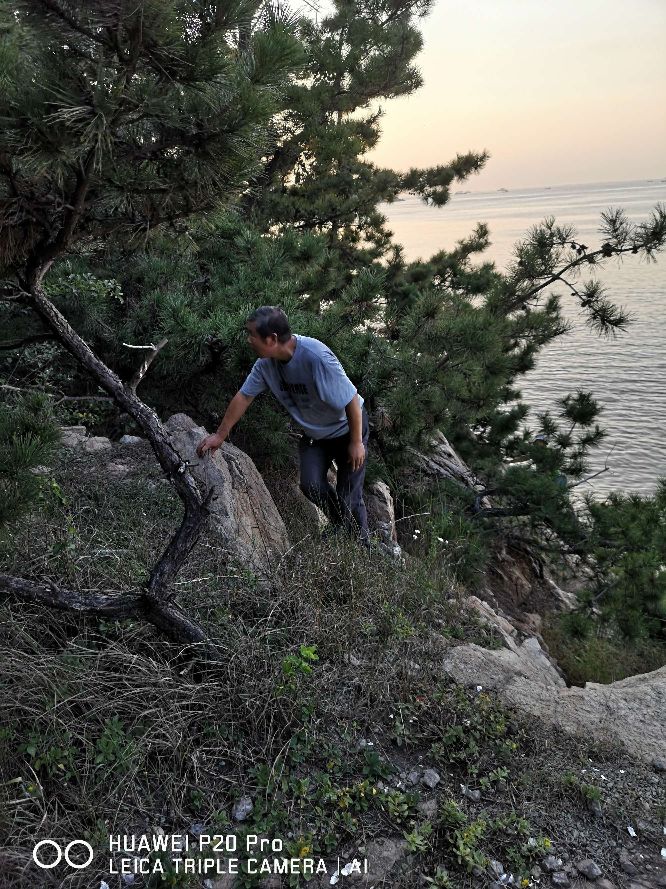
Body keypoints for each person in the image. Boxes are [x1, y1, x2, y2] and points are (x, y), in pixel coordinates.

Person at [196, 306, 370, 544]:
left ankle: (361, 545)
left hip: (347, 430)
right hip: (315, 436)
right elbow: (244, 397)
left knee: (349, 494)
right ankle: (342, 525)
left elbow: (352, 400)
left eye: (252, 335)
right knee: (310, 485)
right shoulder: (265, 365)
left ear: (272, 339)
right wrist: (219, 435)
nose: (249, 340)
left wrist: (357, 442)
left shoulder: (315, 356)